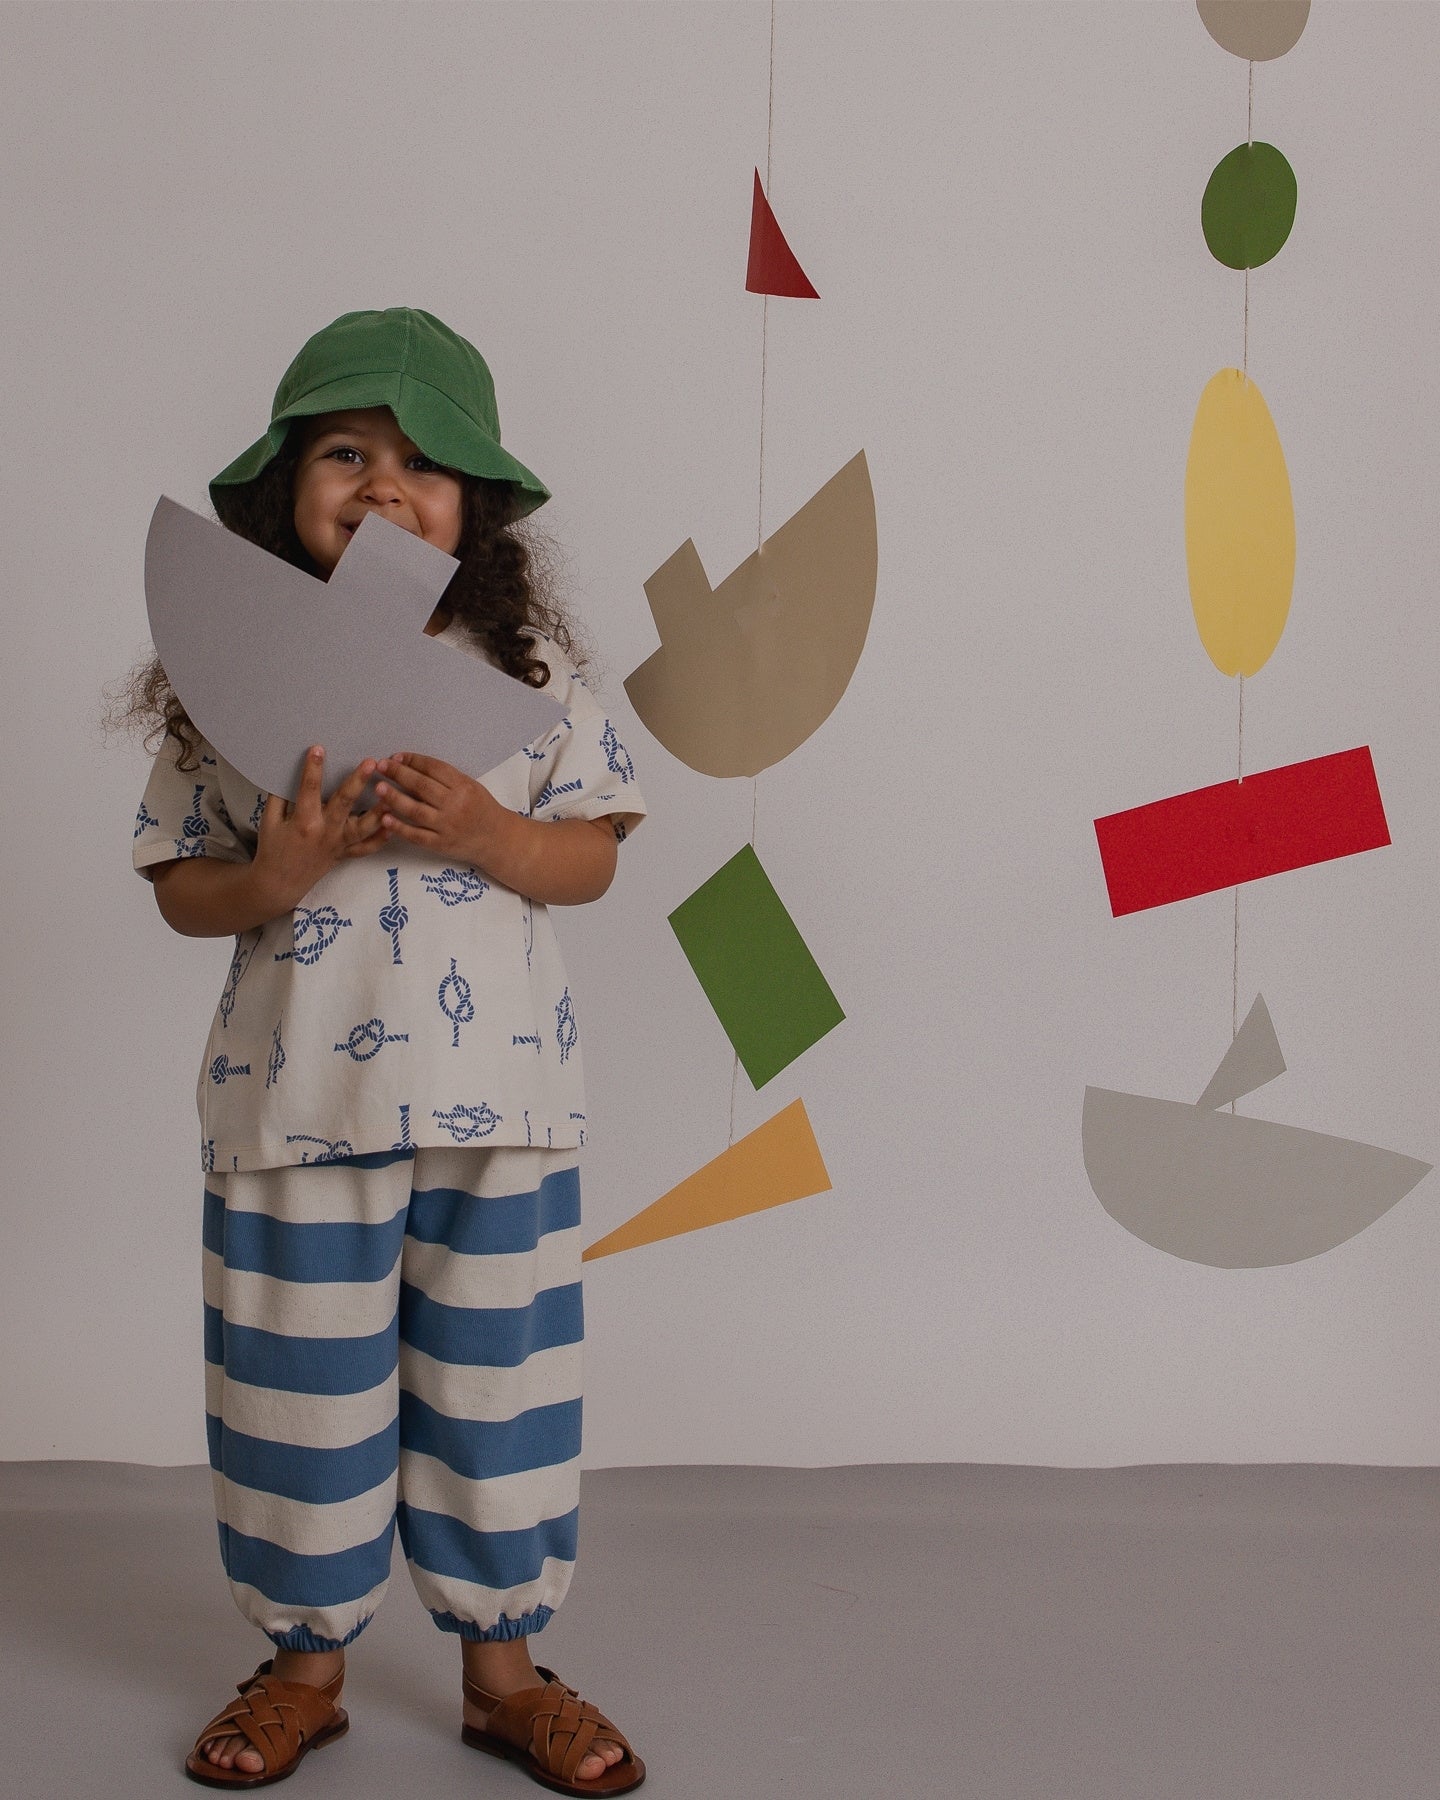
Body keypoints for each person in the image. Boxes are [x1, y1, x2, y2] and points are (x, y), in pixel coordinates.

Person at [128, 307, 647, 1793]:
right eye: (346, 454)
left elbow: (595, 856)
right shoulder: (230, 674)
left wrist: (493, 834)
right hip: (295, 1103)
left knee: (498, 1393)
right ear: (286, 486)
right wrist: (273, 876)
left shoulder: (529, 670)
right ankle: (304, 1668)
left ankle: (504, 1674)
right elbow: (179, 885)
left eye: (423, 464)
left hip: (501, 1109)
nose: (383, 488)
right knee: (299, 1400)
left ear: (474, 503)